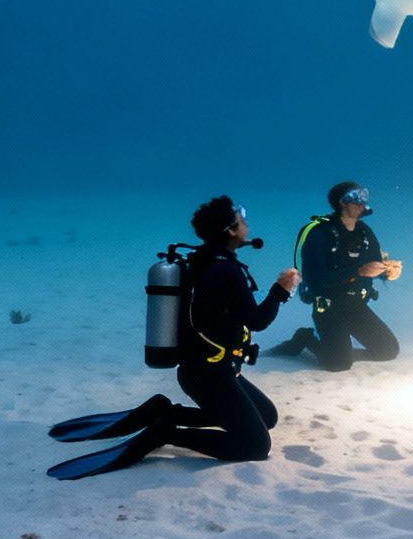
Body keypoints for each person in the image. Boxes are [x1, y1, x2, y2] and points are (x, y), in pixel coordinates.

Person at [46, 195, 299, 479]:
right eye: (241, 219)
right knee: (255, 445)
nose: (247, 224)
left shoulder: (203, 260)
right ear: (230, 229)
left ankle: (165, 412)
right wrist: (281, 290)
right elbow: (258, 320)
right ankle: (168, 433)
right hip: (210, 376)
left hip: (211, 369)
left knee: (268, 417)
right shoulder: (225, 271)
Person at [270, 181, 403, 371]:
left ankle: (338, 351)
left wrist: (387, 272)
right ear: (341, 203)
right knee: (338, 364)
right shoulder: (320, 235)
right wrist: (358, 271)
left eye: (364, 197)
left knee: (388, 350)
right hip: (329, 309)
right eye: (355, 198)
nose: (362, 202)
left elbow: (374, 264)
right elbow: (316, 281)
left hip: (356, 306)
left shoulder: (364, 232)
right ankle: (305, 338)